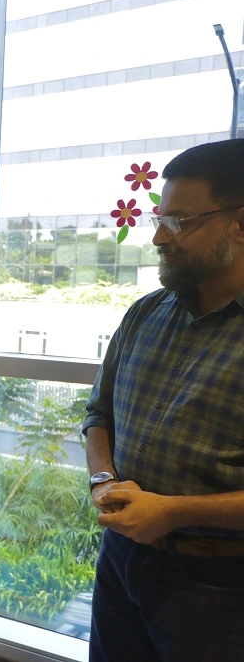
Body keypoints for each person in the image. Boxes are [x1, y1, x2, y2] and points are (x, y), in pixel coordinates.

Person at [83, 138, 244, 661]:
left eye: (180, 221)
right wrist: (103, 479)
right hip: (121, 559)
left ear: (240, 224)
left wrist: (173, 512)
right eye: (160, 219)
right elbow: (98, 413)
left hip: (218, 585)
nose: (158, 236)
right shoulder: (146, 313)